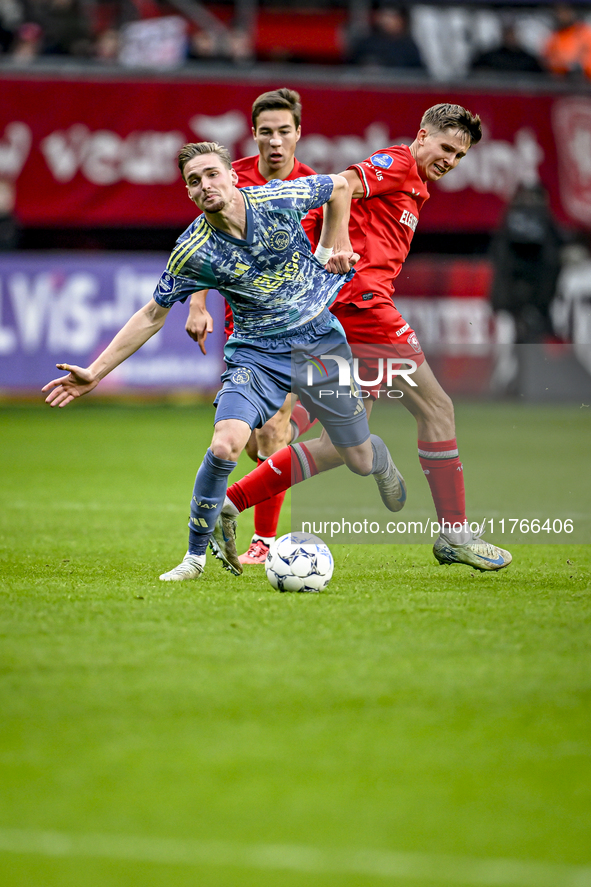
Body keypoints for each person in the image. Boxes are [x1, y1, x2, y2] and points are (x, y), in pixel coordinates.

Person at [43, 141, 404, 582]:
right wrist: (95, 373)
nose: (204, 185)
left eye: (212, 174)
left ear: (233, 174)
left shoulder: (279, 197)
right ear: (189, 193)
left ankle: (376, 454)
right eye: (194, 181)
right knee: (225, 443)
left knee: (359, 458)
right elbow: (152, 315)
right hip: (256, 353)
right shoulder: (193, 250)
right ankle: (195, 557)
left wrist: (331, 248)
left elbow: (340, 187)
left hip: (318, 341)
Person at [219, 104, 513, 572]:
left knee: (346, 449)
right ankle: (455, 534)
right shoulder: (396, 164)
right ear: (422, 136)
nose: (451, 161)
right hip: (363, 309)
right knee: (436, 408)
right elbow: (340, 184)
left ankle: (228, 503)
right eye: (446, 148)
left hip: (338, 313)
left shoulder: (415, 187)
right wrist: (334, 245)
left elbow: (326, 206)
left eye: (460, 156)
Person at [186, 88, 322, 565]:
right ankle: (288, 441)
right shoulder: (229, 177)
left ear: (298, 133)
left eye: (285, 131)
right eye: (266, 132)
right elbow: (205, 242)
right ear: (255, 134)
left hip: (295, 327)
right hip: (242, 327)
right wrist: (197, 304)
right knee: (252, 443)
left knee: (274, 431)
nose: (275, 141)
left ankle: (264, 543)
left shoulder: (311, 187)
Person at [543, 3, 591, 80]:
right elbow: (548, 59)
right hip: (562, 81)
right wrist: (565, 65)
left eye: (565, 12)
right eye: (559, 13)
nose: (562, 16)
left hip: (586, 80)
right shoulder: (554, 37)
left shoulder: (584, 32)